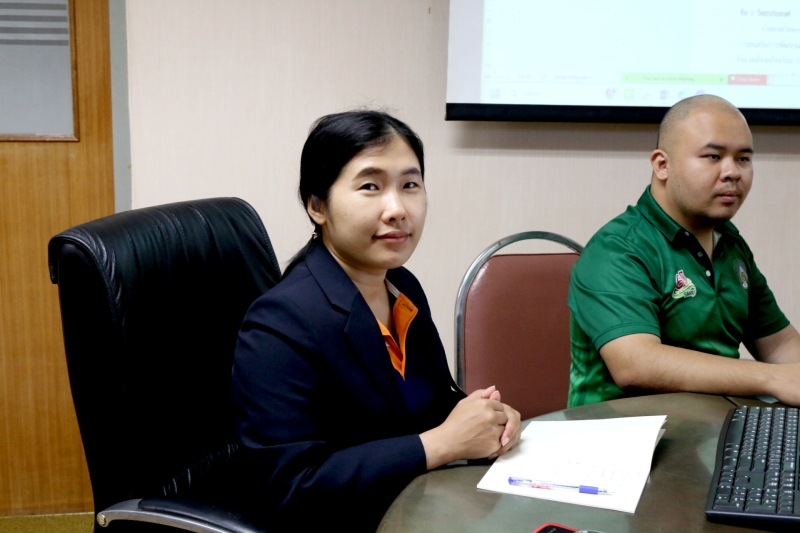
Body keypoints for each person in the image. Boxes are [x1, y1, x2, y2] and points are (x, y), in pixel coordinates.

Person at [232, 110, 521, 531]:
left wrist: (483, 417)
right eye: (370, 186)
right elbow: (290, 487)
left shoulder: (401, 285)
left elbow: (423, 401)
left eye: (410, 185)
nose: (397, 209)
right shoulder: (281, 323)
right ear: (317, 205)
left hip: (415, 506)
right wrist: (440, 444)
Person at [568, 94, 800, 408]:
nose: (733, 172)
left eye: (743, 159)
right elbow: (636, 364)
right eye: (713, 156)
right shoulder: (617, 249)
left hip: (715, 424)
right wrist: (773, 378)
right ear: (662, 165)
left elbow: (779, 345)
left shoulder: (731, 244)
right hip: (621, 431)